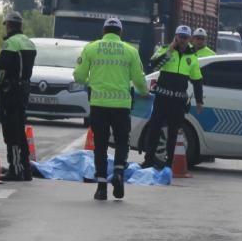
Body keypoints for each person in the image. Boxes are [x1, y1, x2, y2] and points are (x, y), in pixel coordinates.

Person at [73, 17, 150, 201]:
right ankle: (118, 173)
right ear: (120, 33)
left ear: (104, 31)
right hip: (121, 106)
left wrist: (90, 81)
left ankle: (101, 188)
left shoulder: (91, 48)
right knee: (122, 142)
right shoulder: (130, 51)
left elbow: (79, 76)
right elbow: (139, 79)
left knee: (100, 144)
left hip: (98, 104)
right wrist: (145, 92)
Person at [142, 25, 204, 169]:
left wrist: (200, 101)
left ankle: (169, 164)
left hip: (178, 102)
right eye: (180, 37)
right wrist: (169, 52)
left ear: (189, 39)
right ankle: (148, 160)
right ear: (176, 37)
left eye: (185, 38)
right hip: (162, 99)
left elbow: (197, 80)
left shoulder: (192, 57)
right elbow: (154, 66)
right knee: (154, 129)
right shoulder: (165, 50)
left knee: (173, 133)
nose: (182, 40)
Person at [0, 11, 37, 181]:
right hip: (24, 90)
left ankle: (15, 169)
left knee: (11, 132)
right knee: (20, 131)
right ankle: (25, 169)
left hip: (10, 92)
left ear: (9, 25)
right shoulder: (29, 43)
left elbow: (3, 69)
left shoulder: (10, 43)